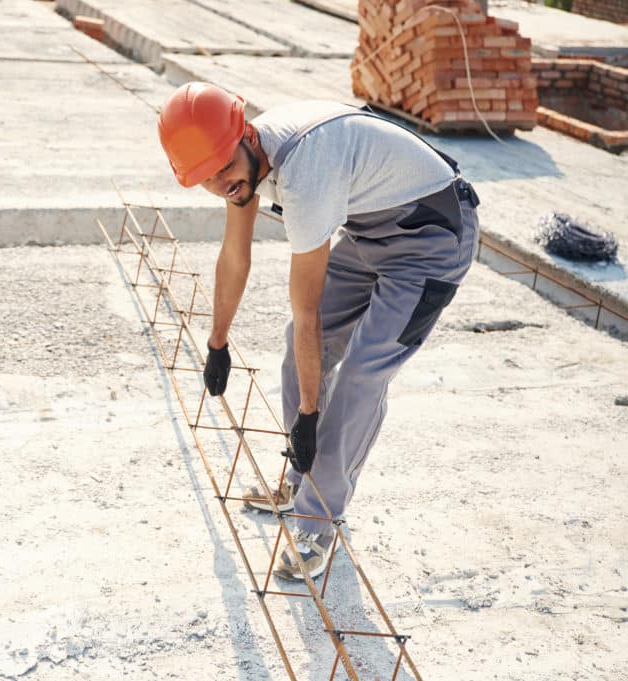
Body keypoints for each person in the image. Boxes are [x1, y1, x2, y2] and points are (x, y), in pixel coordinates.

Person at [156, 82, 480, 580]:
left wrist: (310, 414)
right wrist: (216, 343)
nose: (222, 183)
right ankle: (300, 473)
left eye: (224, 168)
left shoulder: (305, 172)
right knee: (299, 348)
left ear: (246, 136)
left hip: (431, 241)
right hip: (372, 233)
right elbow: (234, 258)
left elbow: (308, 311)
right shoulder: (241, 163)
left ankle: (318, 521)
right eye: (207, 178)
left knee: (361, 375)